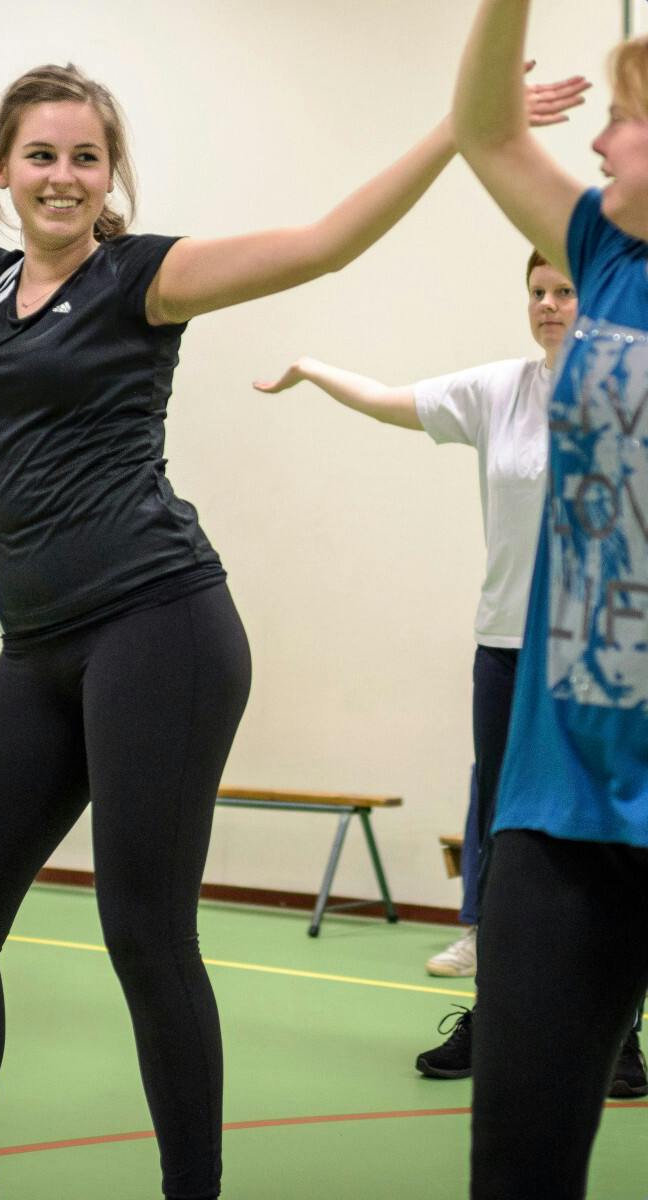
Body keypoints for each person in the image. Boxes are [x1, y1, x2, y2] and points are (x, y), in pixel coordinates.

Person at [0, 36, 587, 1200]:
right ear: (2, 171)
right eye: (40, 155)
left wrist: (460, 132)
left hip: (161, 626)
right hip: (39, 645)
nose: (63, 175)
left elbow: (324, 243)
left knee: (144, 937)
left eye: (87, 158)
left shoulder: (143, 277)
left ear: (112, 177)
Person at [254, 246, 645, 1094]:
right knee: (507, 844)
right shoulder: (498, 390)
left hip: (605, 661)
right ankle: (499, 1018)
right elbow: (397, 402)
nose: (549, 305)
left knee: (603, 846)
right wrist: (317, 367)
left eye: (565, 290)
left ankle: (618, 1038)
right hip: (505, 652)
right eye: (537, 292)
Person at [453, 5, 648, 1196]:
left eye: (623, 120)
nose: (599, 142)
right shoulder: (609, 258)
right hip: (559, 796)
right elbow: (481, 130)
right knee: (518, 1161)